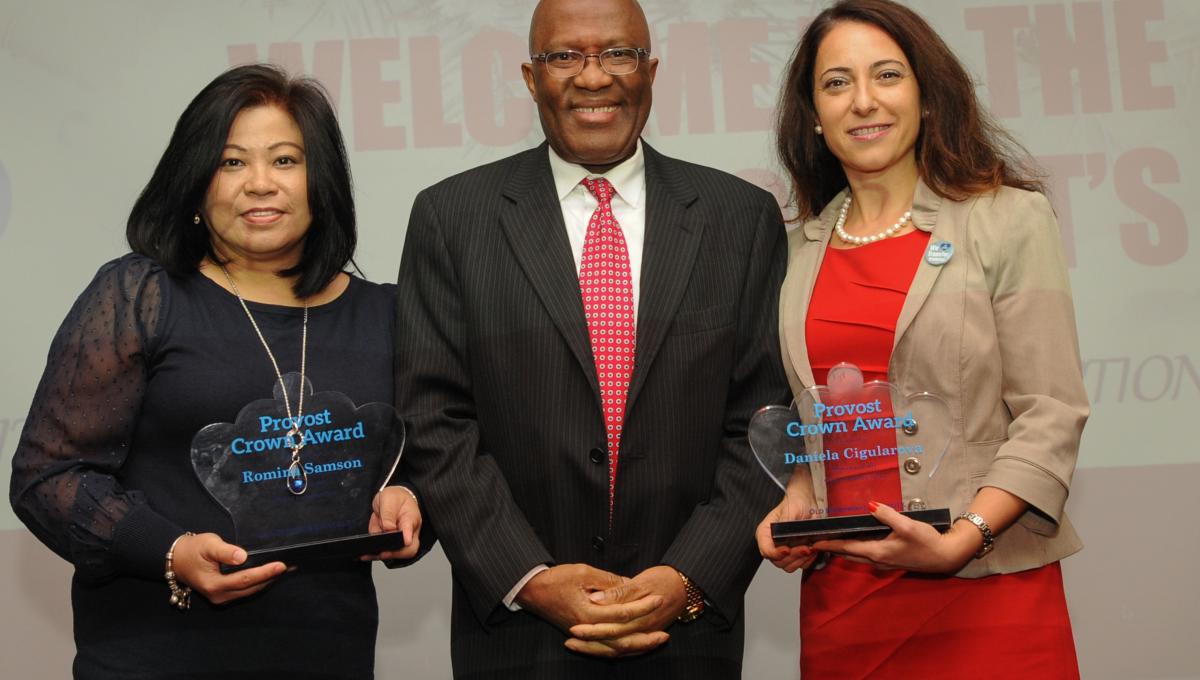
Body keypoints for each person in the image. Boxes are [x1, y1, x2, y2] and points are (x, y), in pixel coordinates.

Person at [393, 0, 789, 677]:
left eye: (619, 54)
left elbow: (764, 419)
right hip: (519, 640)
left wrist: (687, 577)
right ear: (530, 77)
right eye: (564, 56)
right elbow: (433, 420)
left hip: (687, 637)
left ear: (651, 71)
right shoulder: (451, 218)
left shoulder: (741, 218)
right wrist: (529, 578)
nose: (594, 76)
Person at [9, 64, 423, 679]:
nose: (260, 184)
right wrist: (169, 551)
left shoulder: (388, 315)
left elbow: (433, 462)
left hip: (326, 655)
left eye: (285, 160)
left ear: (322, 181)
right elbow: (47, 477)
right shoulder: (141, 295)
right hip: (151, 658)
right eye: (232, 162)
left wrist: (410, 499)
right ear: (196, 183)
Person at [756, 1, 1089, 677]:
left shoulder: (1008, 220)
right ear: (814, 115)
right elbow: (809, 416)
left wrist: (966, 537)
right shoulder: (792, 251)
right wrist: (796, 495)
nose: (863, 101)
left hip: (988, 588)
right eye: (837, 83)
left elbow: (1051, 411)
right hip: (846, 600)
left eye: (887, 75)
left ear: (926, 95)